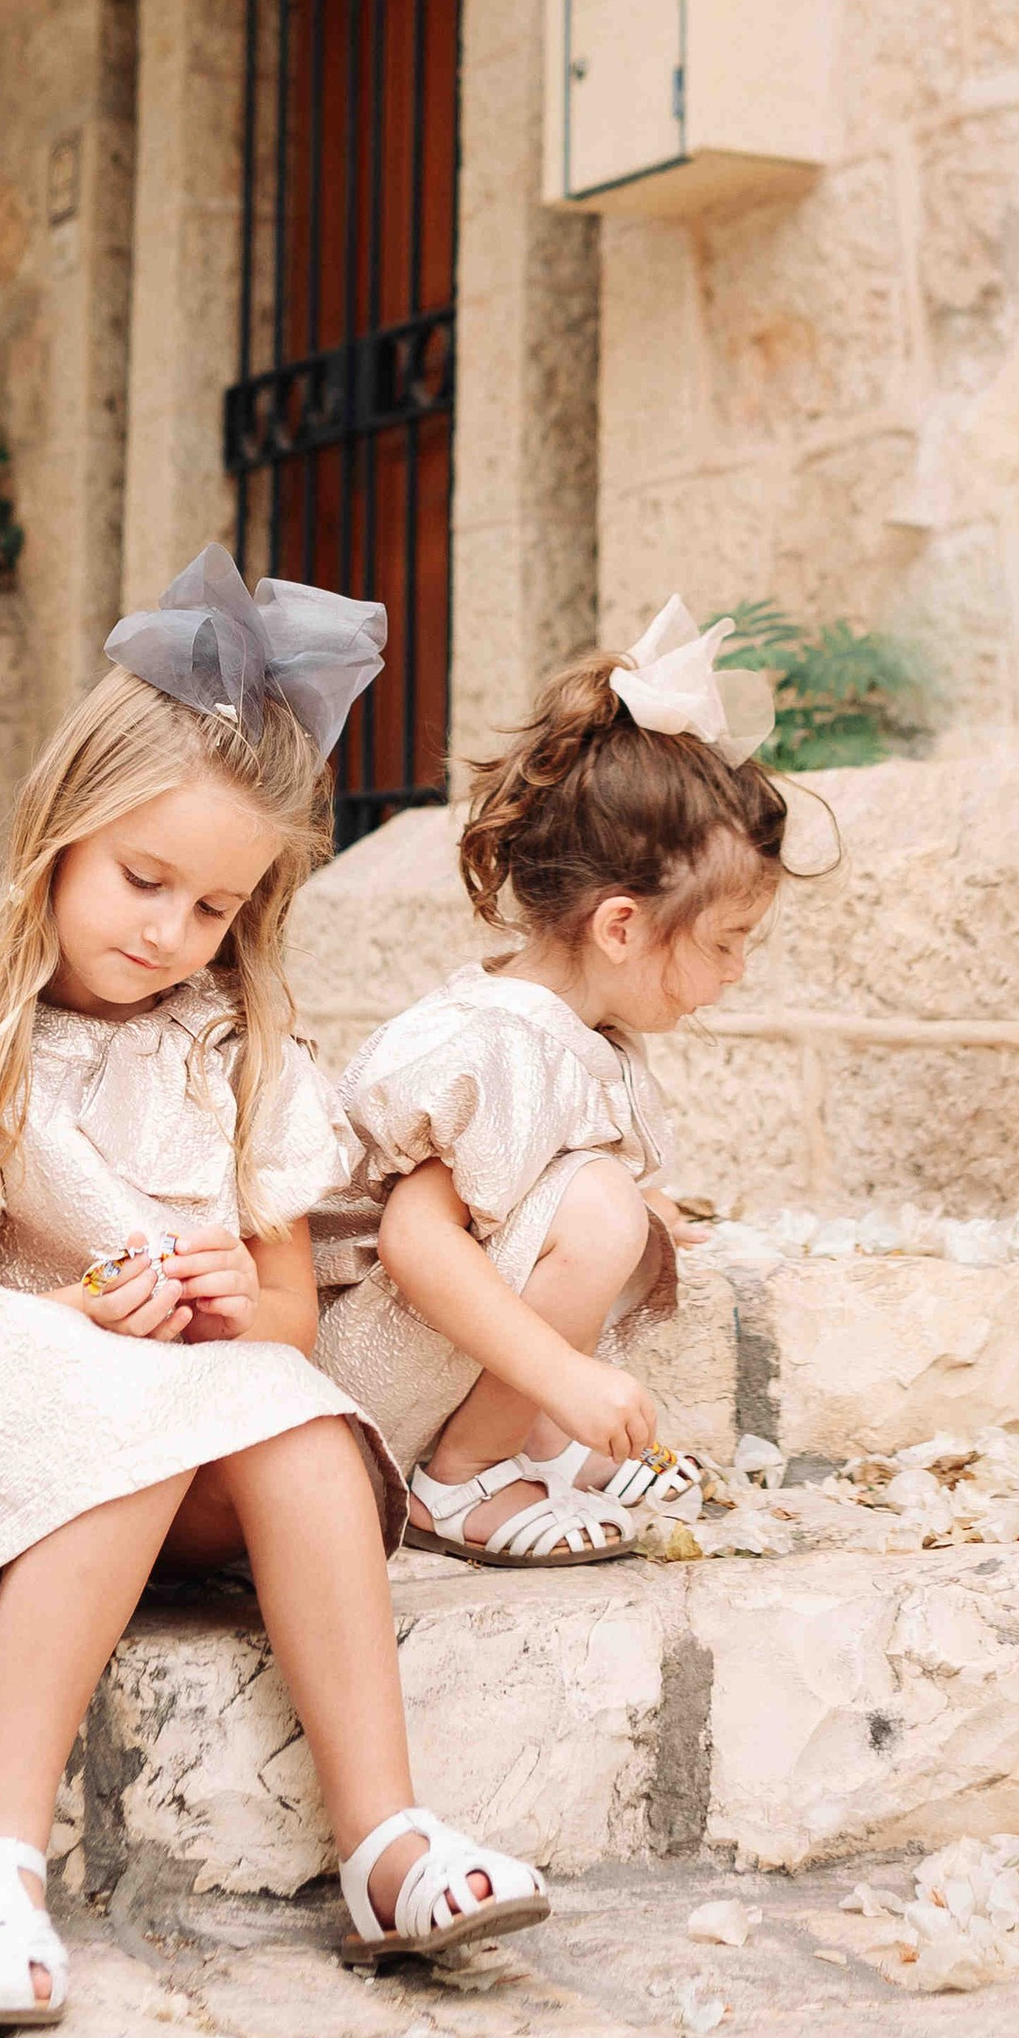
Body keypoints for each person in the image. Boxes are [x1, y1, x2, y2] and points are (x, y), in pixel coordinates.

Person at [0, 546, 548, 2030]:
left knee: (285, 1412)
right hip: (2, 1438)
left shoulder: (241, 1056)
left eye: (211, 909)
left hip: (185, 1454)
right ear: (60, 838)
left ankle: (385, 1838)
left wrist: (226, 1292)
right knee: (132, 1406)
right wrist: (82, 1320)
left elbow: (288, 1323)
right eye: (143, 880)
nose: (167, 931)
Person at [316, 601, 789, 1565]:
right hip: (367, 1355)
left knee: (620, 1210)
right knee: (603, 1213)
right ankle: (461, 1481)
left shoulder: (568, 1026)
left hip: (421, 1344)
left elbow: (526, 1173)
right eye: (728, 942)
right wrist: (566, 1374)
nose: (739, 971)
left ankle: (536, 1443)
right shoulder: (497, 1045)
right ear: (621, 928)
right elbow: (414, 1236)